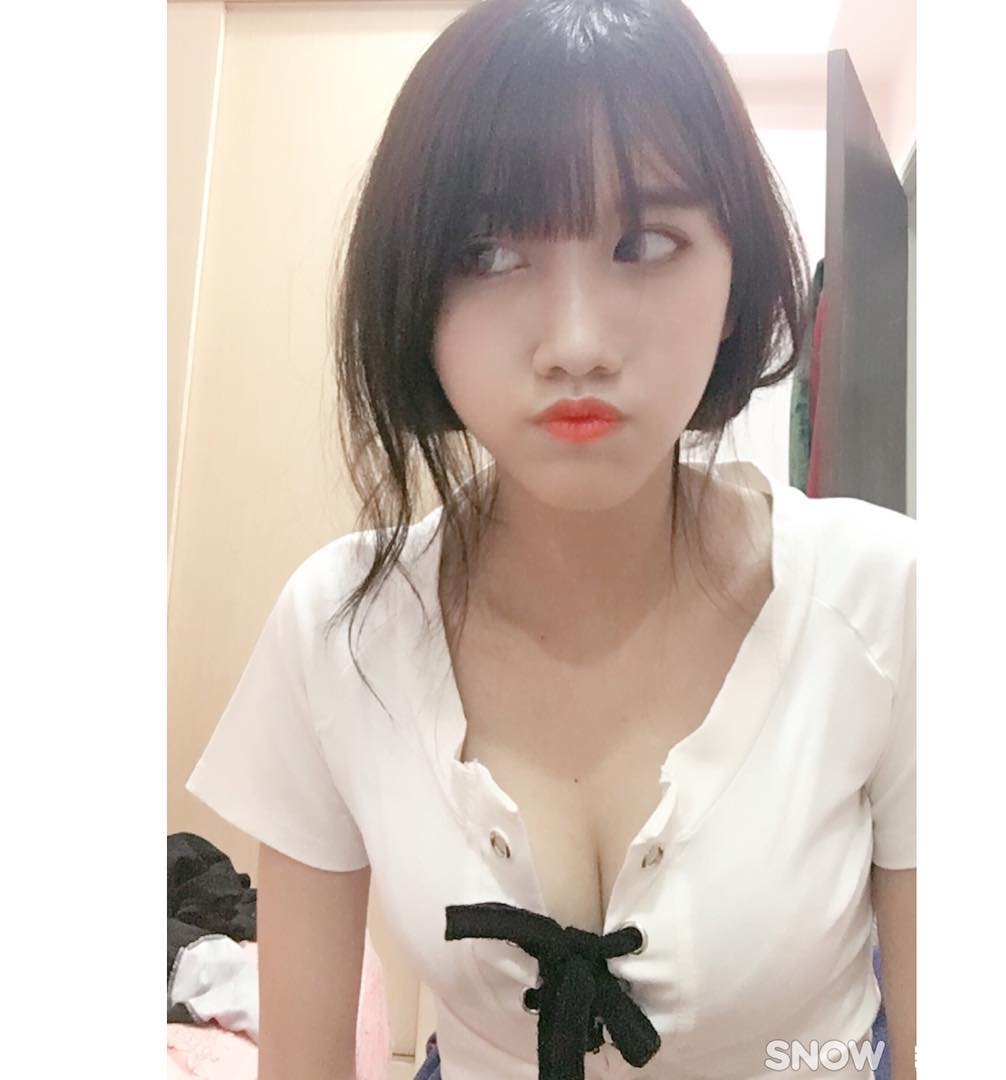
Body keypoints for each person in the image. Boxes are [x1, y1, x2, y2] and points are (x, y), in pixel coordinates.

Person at [185, 1, 916, 1078]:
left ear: (735, 279)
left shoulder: (888, 602)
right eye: (489, 252)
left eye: (645, 243)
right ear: (415, 296)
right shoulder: (338, 627)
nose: (575, 344)